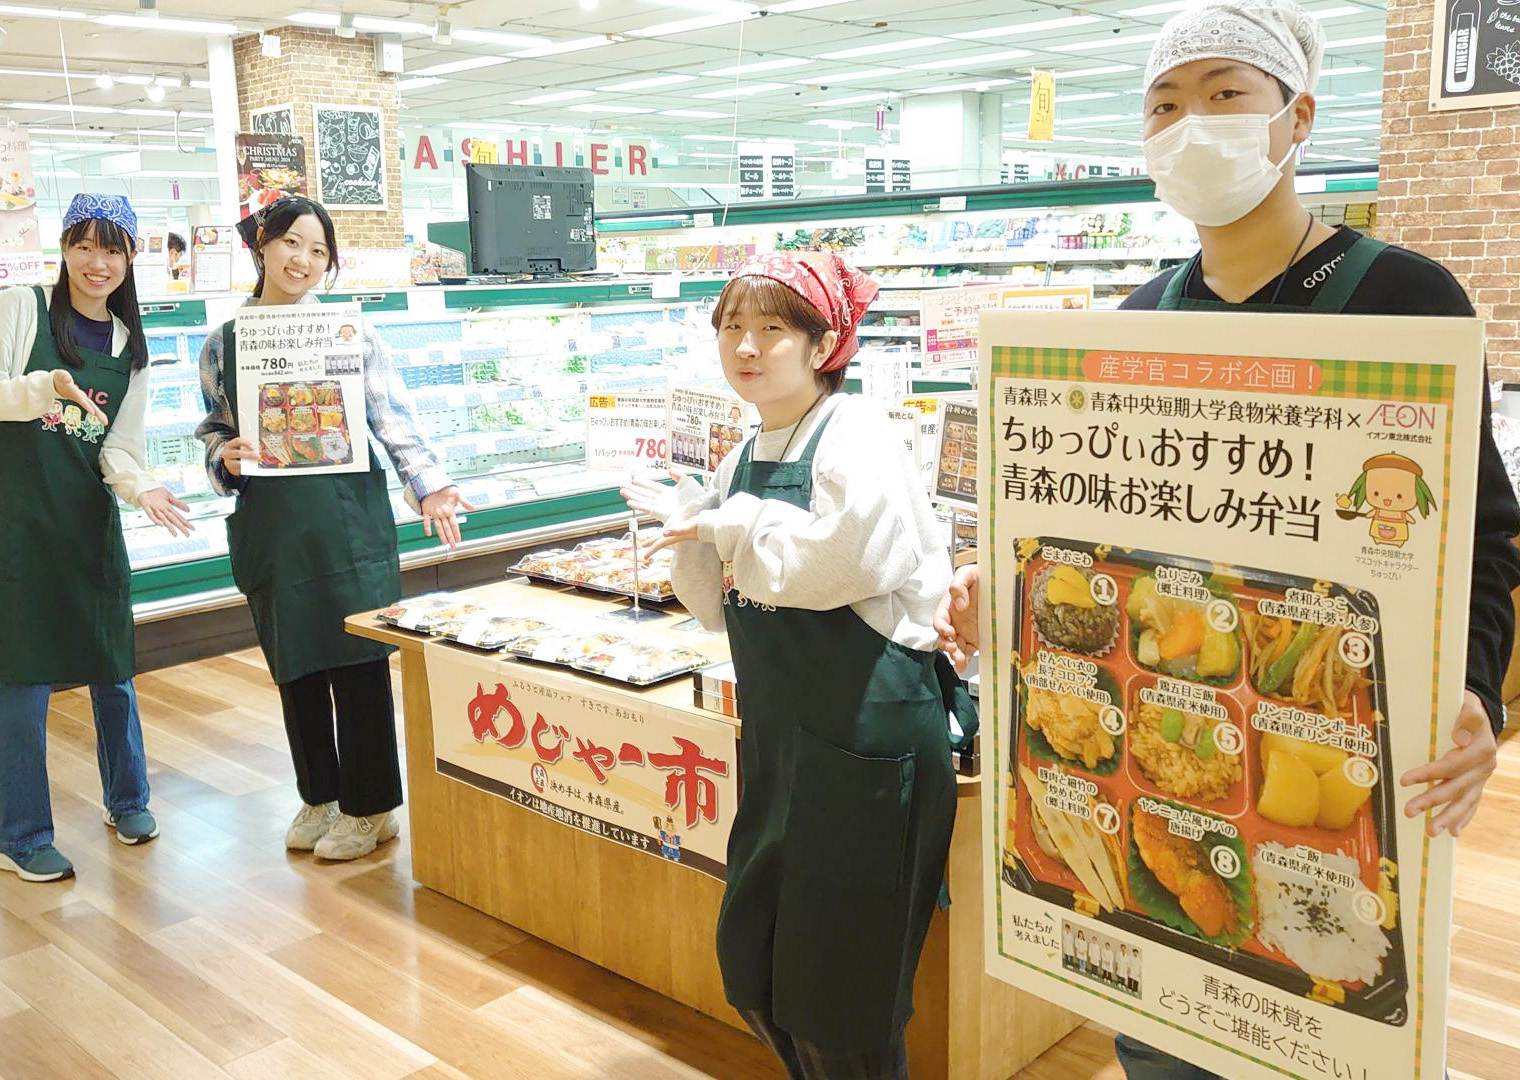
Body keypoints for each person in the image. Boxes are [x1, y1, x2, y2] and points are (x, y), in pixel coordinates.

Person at [936, 2, 1520, 1076]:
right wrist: (999, 587)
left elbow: (1480, 542)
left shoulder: (1404, 298)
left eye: (1223, 95)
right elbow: (1095, 540)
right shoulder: (1135, 319)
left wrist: (1473, 688)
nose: (1189, 123)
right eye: (1164, 104)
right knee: (1167, 1044)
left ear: (1294, 118)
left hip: (1337, 751)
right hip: (1169, 760)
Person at [622, 251, 976, 1079]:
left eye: (772, 328)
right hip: (784, 745)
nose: (746, 346)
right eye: (731, 327)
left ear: (823, 346)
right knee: (755, 962)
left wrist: (727, 525)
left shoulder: (858, 435)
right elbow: (717, 603)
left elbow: (846, 561)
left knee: (841, 988)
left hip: (867, 745)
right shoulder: (744, 449)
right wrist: (691, 524)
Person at [195, 195, 474, 862]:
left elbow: (391, 415)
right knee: (294, 661)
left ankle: (371, 807)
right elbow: (212, 427)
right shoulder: (223, 342)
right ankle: (319, 794)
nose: (305, 260)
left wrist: (430, 485)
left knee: (357, 662)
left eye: (320, 252)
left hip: (346, 517)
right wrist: (221, 456)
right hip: (273, 523)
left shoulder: (350, 333)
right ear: (262, 244)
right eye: (293, 243)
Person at [0, 193, 193, 883]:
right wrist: (42, 388)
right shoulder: (22, 308)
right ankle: (18, 835)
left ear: (130, 257)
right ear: (64, 248)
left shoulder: (131, 348)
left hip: (86, 523)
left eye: (113, 249)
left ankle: (128, 800)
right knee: (22, 679)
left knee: (112, 667)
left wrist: (141, 486)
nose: (99, 263)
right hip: (15, 522)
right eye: (86, 246)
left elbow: (118, 449)